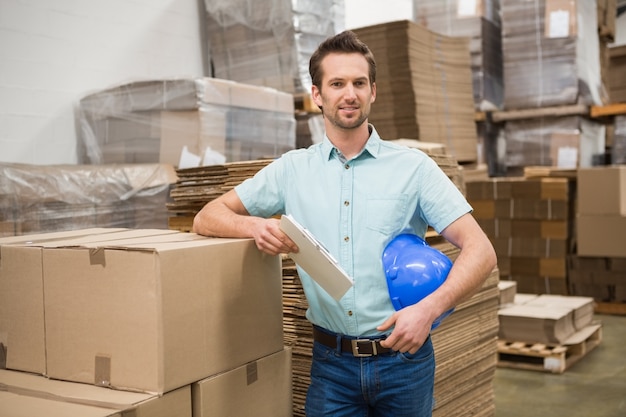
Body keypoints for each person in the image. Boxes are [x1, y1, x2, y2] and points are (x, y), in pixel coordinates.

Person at [192, 30, 497, 417]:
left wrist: (430, 309)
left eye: (358, 83)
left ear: (373, 91)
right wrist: (254, 227)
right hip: (331, 366)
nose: (348, 93)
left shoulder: (414, 168)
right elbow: (207, 216)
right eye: (337, 83)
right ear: (318, 95)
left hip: (403, 360)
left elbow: (481, 251)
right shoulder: (292, 170)